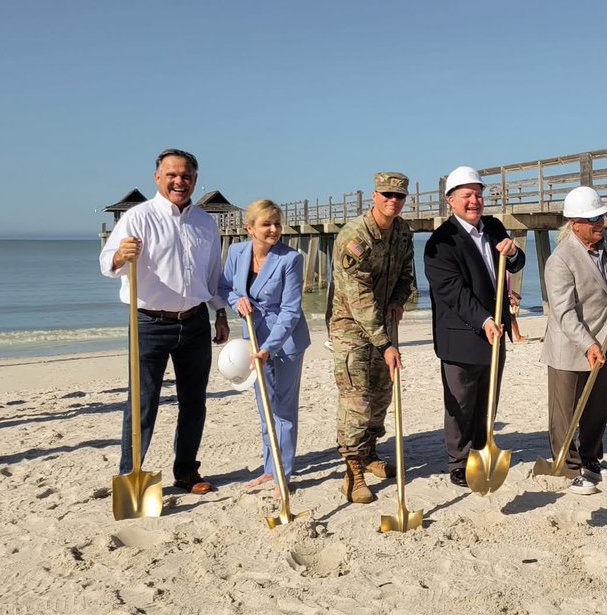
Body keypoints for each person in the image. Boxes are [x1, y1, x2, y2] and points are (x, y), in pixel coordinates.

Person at [99, 148, 229, 495]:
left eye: (186, 176)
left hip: (195, 321)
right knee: (142, 403)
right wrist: (120, 255)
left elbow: (212, 274)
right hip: (149, 323)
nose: (179, 181)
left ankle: (186, 471)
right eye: (171, 175)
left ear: (195, 180)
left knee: (194, 402)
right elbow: (106, 263)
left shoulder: (205, 223)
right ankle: (131, 475)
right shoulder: (138, 218)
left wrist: (219, 312)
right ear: (157, 178)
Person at [424, 166, 525, 488]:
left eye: (478, 195)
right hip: (462, 336)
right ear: (450, 200)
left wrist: (514, 252)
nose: (474, 201)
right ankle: (459, 460)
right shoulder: (441, 242)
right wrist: (484, 320)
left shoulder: (494, 227)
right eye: (467, 195)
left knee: (488, 397)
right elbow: (453, 291)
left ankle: (482, 449)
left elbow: (516, 264)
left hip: (496, 332)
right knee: (461, 403)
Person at [328, 171, 415, 503]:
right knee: (357, 402)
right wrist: (385, 343)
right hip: (352, 328)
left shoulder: (402, 232)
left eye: (399, 196)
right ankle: (352, 473)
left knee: (380, 397)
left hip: (384, 325)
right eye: (387, 195)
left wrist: (398, 301)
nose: (393, 201)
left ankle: (369, 453)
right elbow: (358, 297)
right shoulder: (355, 237)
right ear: (374, 196)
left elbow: (407, 275)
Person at [541, 186, 607, 496]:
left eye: (601, 216)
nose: (599, 223)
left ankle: (591, 457)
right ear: (574, 223)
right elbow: (564, 313)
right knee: (565, 413)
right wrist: (588, 344)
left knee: (596, 408)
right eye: (592, 219)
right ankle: (568, 466)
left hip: (603, 341)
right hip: (570, 346)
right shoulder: (560, 260)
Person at [218, 200, 311, 493]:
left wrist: (269, 347)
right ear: (249, 228)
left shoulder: (290, 259)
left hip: (285, 341)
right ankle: (270, 469)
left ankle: (282, 473)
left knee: (283, 409)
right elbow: (224, 287)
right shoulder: (236, 252)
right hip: (252, 338)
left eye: (277, 224)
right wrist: (237, 301)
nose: (273, 229)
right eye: (266, 224)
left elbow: (291, 311)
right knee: (265, 406)